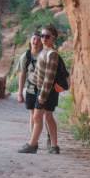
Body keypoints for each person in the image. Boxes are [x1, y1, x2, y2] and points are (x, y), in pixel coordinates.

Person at [18, 24, 61, 154]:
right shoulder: (44, 52)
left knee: (38, 116)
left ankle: (32, 145)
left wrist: (42, 96)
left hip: (46, 91)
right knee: (47, 117)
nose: (43, 39)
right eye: (42, 36)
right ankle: (54, 146)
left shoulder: (52, 54)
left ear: (53, 38)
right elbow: (38, 74)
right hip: (40, 89)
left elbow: (49, 77)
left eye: (47, 36)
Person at [16, 31, 43, 140]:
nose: (35, 41)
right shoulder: (25, 56)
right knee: (33, 114)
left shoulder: (45, 54)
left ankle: (47, 138)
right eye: (33, 39)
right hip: (31, 89)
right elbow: (22, 74)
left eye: (38, 39)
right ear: (30, 41)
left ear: (41, 42)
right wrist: (20, 93)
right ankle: (33, 139)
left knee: (43, 114)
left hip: (44, 89)